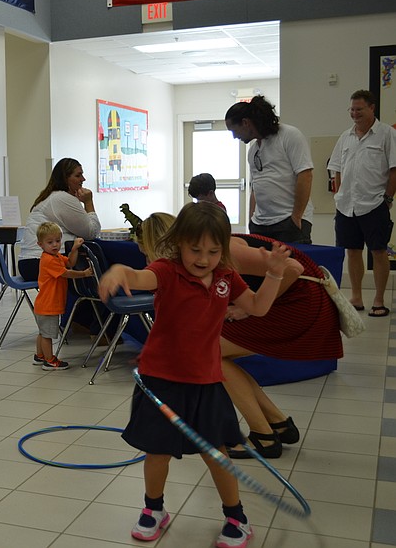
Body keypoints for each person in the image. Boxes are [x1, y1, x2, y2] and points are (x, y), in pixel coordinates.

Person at [99, 202, 291, 547]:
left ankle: (236, 517)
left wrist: (275, 273)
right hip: (160, 380)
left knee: (216, 452)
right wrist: (118, 271)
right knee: (156, 451)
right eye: (195, 249)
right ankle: (153, 509)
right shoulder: (168, 271)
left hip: (205, 382)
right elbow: (139, 277)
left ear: (223, 249)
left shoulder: (226, 278)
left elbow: (259, 307)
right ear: (180, 242)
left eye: (213, 251)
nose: (203, 258)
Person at [136, 212, 343, 459]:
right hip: (294, 302)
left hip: (300, 303)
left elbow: (292, 268)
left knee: (213, 353)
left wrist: (246, 309)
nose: (148, 259)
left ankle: (264, 436)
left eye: (146, 252)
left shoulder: (222, 251)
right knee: (217, 353)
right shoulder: (205, 254)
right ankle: (277, 423)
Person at [328, 89, 396, 317]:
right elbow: (336, 169)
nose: (355, 114)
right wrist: (339, 194)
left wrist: (387, 198)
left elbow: (394, 169)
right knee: (352, 251)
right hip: (347, 205)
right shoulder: (345, 137)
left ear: (372, 108)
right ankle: (356, 297)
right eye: (352, 110)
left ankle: (379, 299)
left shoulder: (386, 134)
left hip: (375, 203)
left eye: (359, 109)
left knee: (378, 251)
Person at [225, 95, 314, 244]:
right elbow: (255, 187)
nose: (234, 137)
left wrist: (296, 217)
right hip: (260, 225)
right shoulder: (253, 150)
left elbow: (305, 175)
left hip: (288, 221)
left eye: (234, 131)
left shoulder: (289, 135)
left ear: (245, 123)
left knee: (292, 266)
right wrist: (251, 220)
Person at [17, 158, 101, 282]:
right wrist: (88, 202)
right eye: (78, 175)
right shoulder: (62, 198)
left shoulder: (50, 197)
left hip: (29, 263)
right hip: (40, 262)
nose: (83, 179)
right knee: (101, 260)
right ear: (65, 178)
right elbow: (91, 233)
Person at [32, 222, 93, 371]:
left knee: (43, 332)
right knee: (47, 335)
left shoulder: (57, 256)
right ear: (40, 244)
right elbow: (67, 273)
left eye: (57, 241)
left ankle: (40, 356)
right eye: (50, 242)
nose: (55, 245)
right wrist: (84, 274)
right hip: (48, 305)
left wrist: (74, 249)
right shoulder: (49, 260)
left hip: (45, 304)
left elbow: (70, 263)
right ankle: (49, 360)